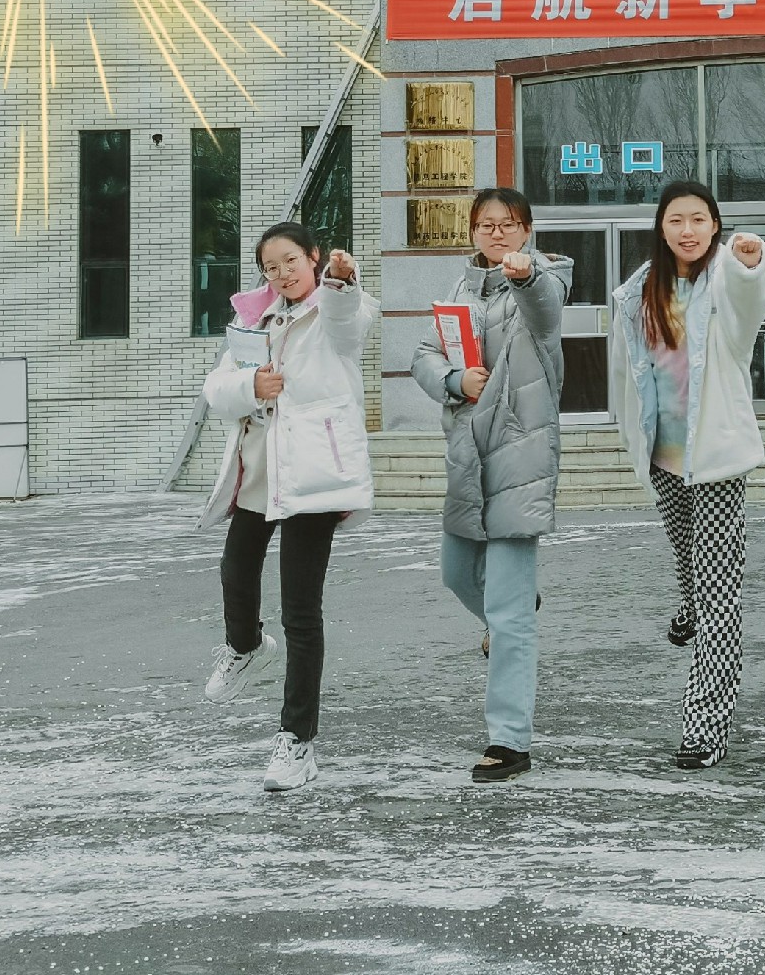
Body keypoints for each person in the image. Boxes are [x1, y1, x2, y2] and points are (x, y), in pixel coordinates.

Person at [198, 222, 380, 792]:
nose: (282, 274)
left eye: (291, 261)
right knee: (235, 572)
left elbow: (349, 323)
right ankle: (246, 646)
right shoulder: (254, 320)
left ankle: (296, 740)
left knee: (301, 612)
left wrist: (343, 283)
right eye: (271, 267)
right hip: (260, 472)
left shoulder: (337, 308)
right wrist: (251, 385)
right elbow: (216, 389)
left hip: (313, 478)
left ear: (314, 258)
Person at [610, 181, 765, 770]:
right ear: (662, 227)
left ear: (714, 226)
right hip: (664, 458)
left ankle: (705, 727)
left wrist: (750, 263)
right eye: (676, 219)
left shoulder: (724, 279)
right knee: (690, 567)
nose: (688, 230)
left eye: (699, 219)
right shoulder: (640, 291)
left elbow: (749, 306)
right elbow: (629, 369)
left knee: (719, 596)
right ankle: (689, 605)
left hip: (718, 462)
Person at [410, 187, 570, 784]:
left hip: (519, 455)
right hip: (467, 456)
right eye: (486, 224)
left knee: (507, 615)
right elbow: (424, 355)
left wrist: (526, 277)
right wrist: (455, 380)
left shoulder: (545, 277)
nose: (497, 233)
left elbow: (545, 310)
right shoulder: (460, 291)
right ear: (473, 230)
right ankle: (512, 614)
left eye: (508, 223)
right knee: (456, 573)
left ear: (526, 229)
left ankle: (509, 741)